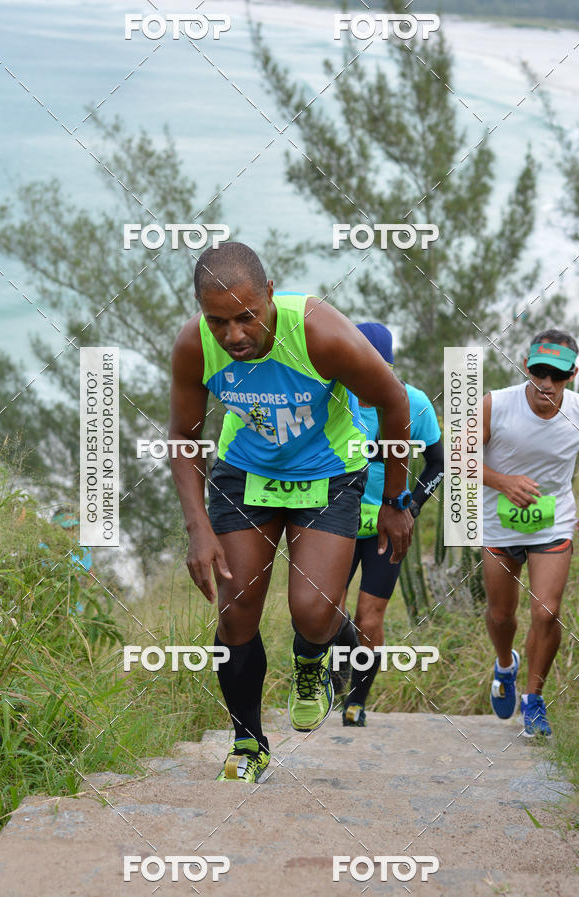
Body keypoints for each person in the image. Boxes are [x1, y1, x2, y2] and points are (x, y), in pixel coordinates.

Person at [168, 241, 413, 782]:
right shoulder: (193, 345)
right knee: (236, 610)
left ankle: (312, 660)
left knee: (313, 610)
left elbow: (394, 403)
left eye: (246, 317)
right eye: (218, 321)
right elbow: (184, 438)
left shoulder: (321, 334)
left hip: (325, 471)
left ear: (271, 296)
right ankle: (248, 743)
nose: (233, 335)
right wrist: (197, 527)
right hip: (246, 471)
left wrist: (395, 501)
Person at [334, 323, 444, 727]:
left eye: (378, 367)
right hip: (338, 521)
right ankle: (339, 665)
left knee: (370, 618)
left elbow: (437, 461)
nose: (367, 378)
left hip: (385, 526)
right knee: (326, 611)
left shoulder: (413, 404)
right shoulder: (333, 401)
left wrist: (410, 508)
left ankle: (356, 701)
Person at [483, 329, 579, 737]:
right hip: (498, 525)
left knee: (546, 611)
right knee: (502, 615)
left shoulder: (578, 410)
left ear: (572, 374)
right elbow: (457, 459)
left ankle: (534, 699)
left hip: (552, 522)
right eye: (539, 372)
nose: (546, 383)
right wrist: (503, 482)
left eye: (556, 375)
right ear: (526, 366)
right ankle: (505, 665)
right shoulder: (496, 404)